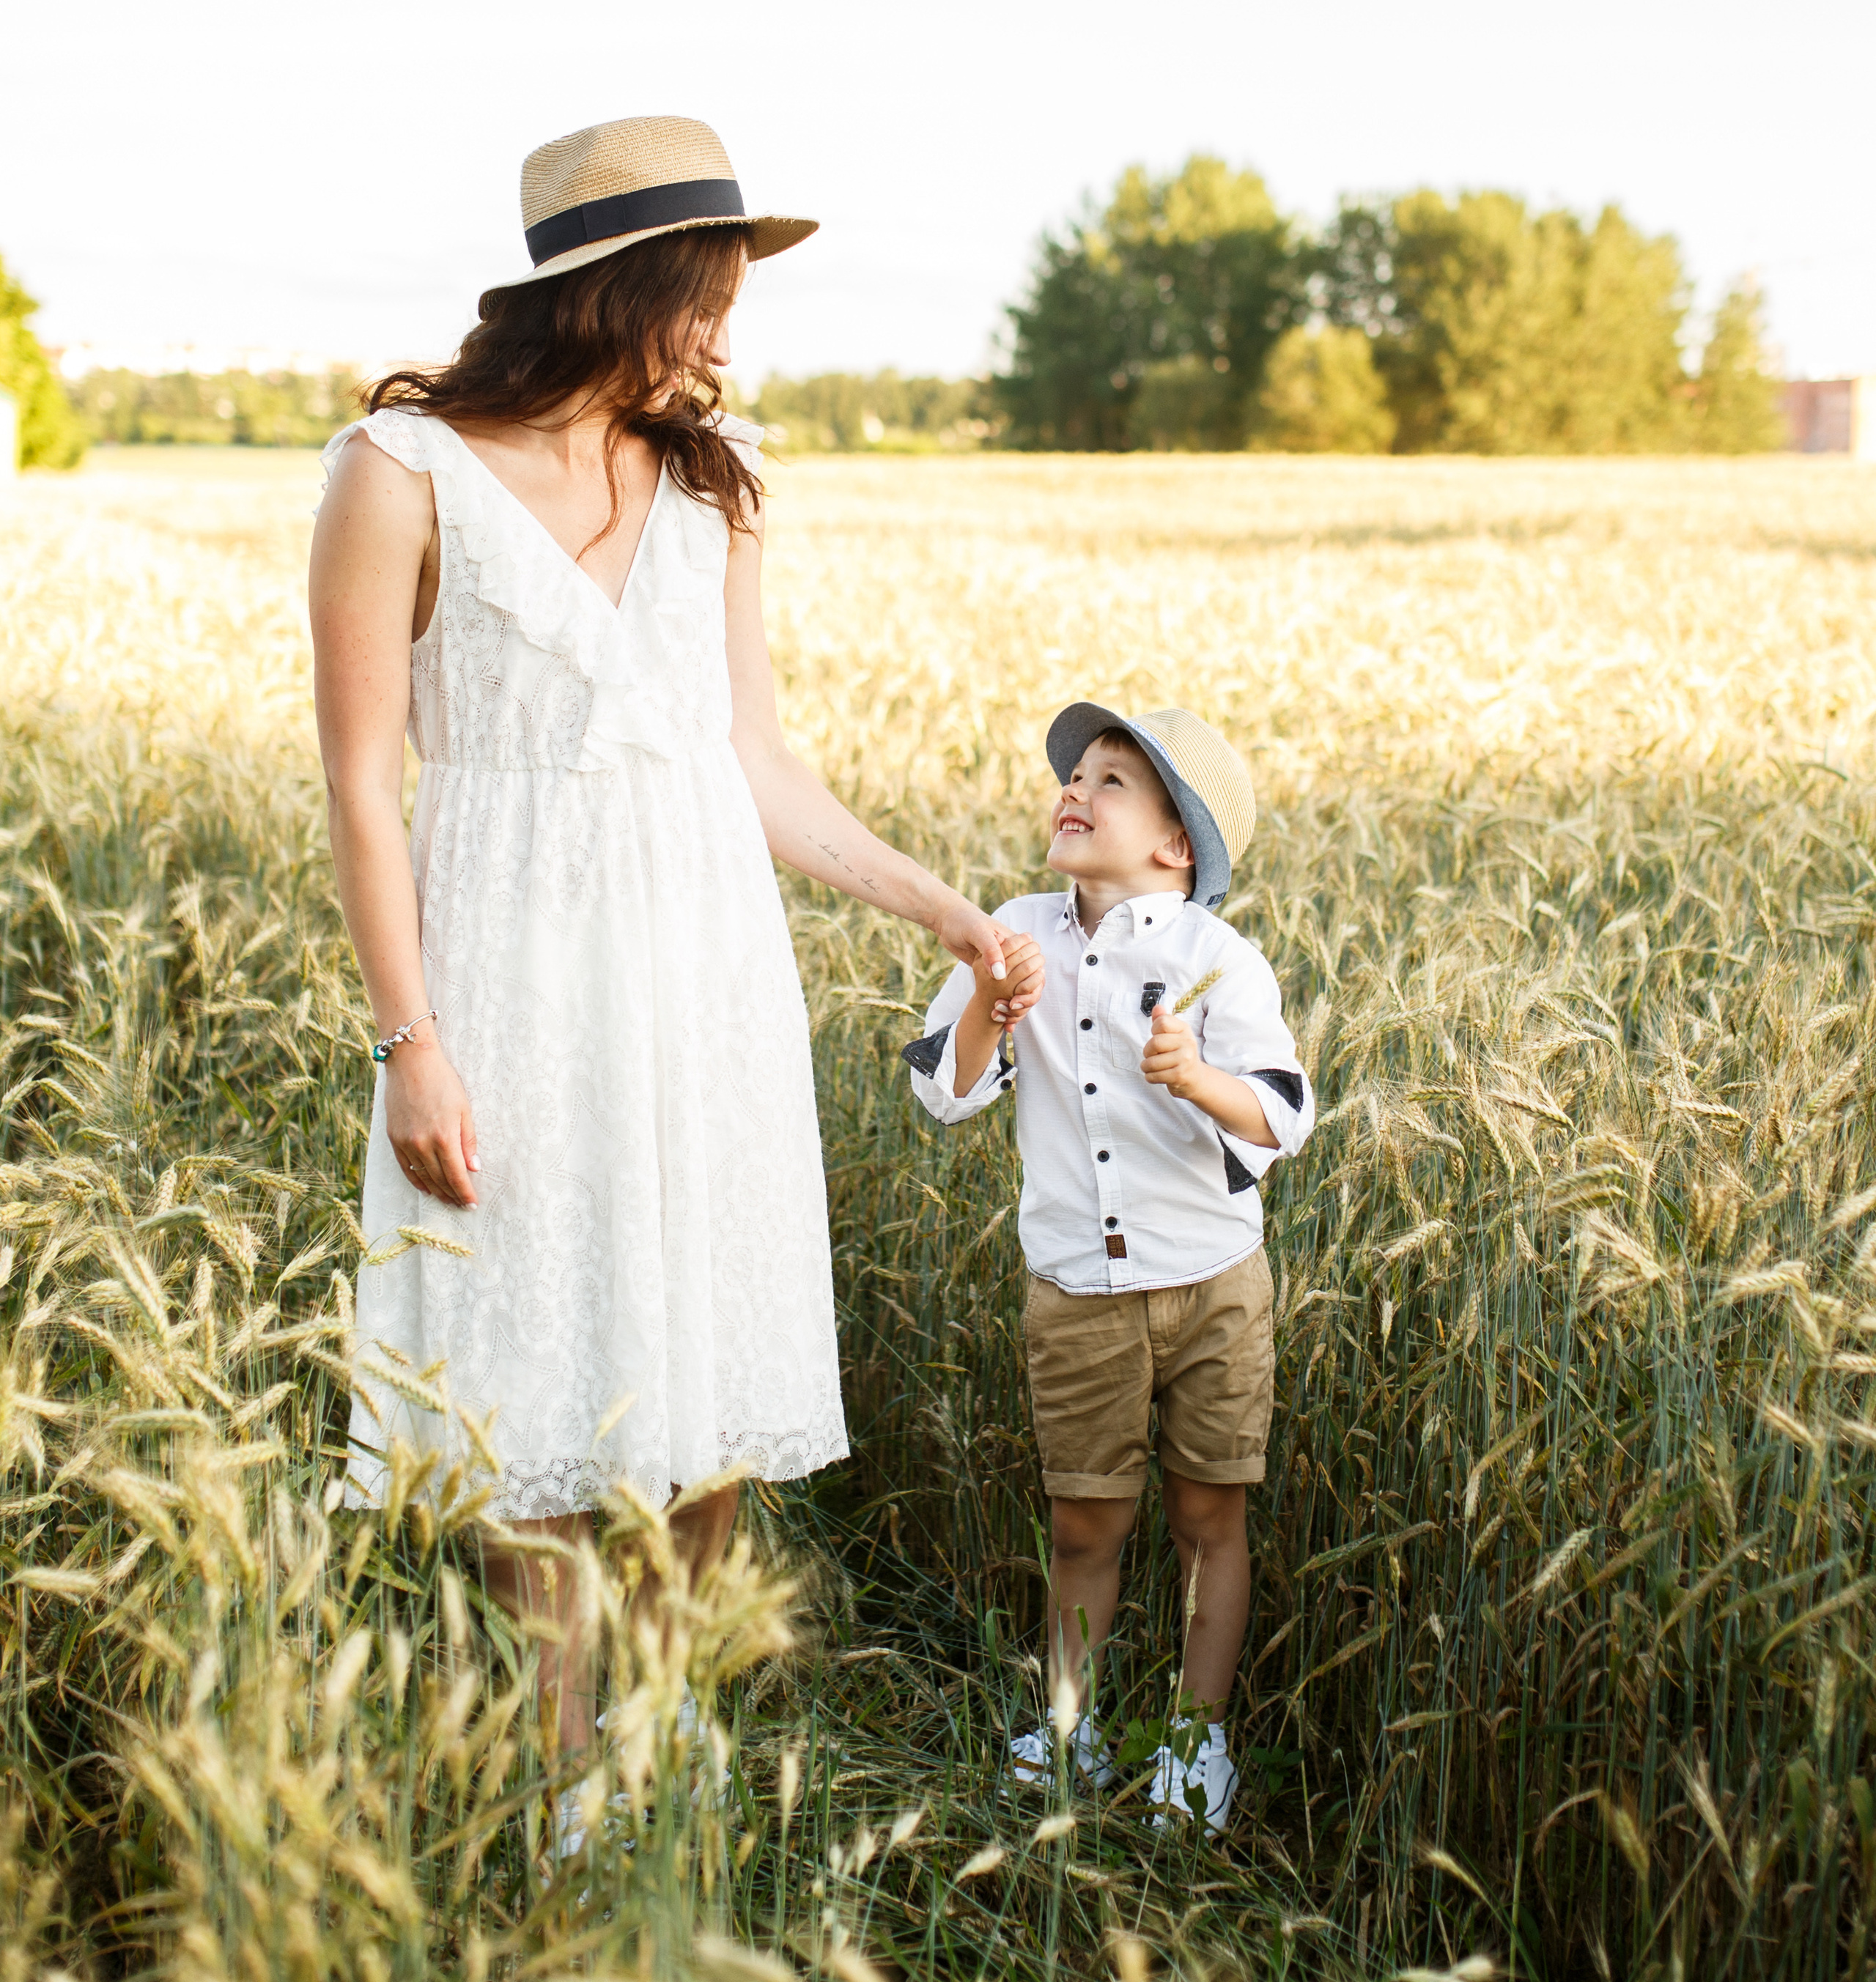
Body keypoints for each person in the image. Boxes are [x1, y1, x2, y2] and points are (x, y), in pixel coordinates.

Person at [309, 116, 1031, 1844]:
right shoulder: (396, 473)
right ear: (609, 287)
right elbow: (359, 785)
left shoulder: (717, 484)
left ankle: (656, 1720)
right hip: (505, 965)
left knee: (711, 1350)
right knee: (528, 1359)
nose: (719, 335)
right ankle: (565, 1769)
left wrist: (937, 908)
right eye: (698, 298)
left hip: (706, 963)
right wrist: (411, 1041)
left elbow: (752, 761)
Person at [904, 703, 1314, 1835]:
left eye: (1112, 780)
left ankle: (1194, 1740)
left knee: (1208, 1516)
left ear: (1177, 844)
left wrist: (1196, 1078)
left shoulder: (1215, 958)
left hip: (1214, 1283)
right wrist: (992, 1004)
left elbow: (1284, 1113)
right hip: (1078, 1290)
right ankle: (1069, 1726)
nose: (1074, 790)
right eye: (1074, 775)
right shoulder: (1013, 932)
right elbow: (945, 1091)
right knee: (1085, 1523)